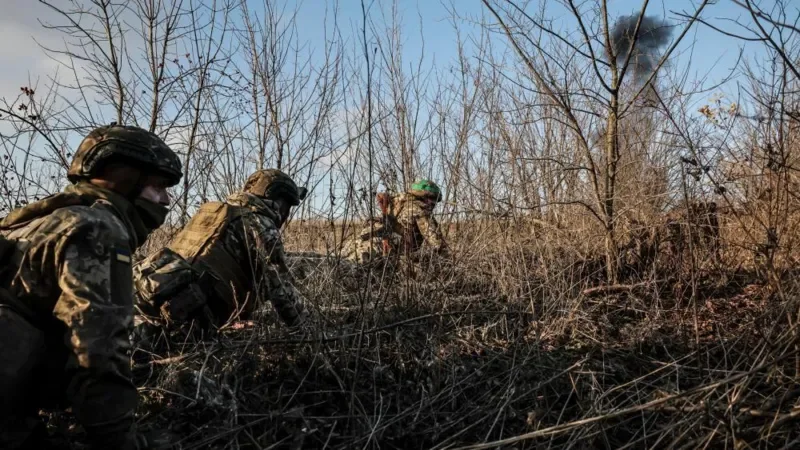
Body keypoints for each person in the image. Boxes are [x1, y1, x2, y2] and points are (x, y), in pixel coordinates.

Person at [0, 124, 182, 449]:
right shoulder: (98, 230)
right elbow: (97, 356)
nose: (165, 200)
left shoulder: (36, 221)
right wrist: (122, 441)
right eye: (158, 187)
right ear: (124, 179)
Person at [135, 169, 309, 329]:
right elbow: (281, 291)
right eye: (287, 206)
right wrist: (308, 331)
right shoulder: (260, 224)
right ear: (278, 201)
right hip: (187, 316)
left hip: (149, 296)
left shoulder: (213, 212)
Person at [345, 179, 448, 263]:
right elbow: (438, 244)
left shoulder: (396, 202)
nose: (434, 203)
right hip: (378, 253)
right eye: (432, 199)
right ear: (423, 196)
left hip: (356, 245)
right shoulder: (419, 211)